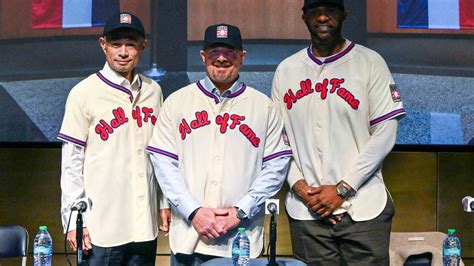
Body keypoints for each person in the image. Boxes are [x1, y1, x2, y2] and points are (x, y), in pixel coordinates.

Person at [271, 0, 406, 265]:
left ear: (343, 15)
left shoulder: (369, 62)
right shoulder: (286, 70)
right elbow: (276, 140)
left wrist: (343, 188)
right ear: (304, 16)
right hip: (307, 211)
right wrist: (301, 188)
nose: (323, 17)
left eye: (330, 10)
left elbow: (386, 132)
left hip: (363, 206)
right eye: (315, 11)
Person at [146, 23, 292, 265]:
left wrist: (240, 211)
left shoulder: (263, 106)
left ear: (242, 57)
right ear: (203, 56)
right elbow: (163, 164)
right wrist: (194, 212)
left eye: (230, 51)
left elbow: (276, 167)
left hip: (241, 240)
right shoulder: (177, 102)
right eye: (214, 51)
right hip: (188, 237)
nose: (222, 58)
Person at [58, 12, 170, 265]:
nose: (123, 52)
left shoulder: (154, 91)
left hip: (144, 225)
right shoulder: (84, 93)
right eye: (116, 44)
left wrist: (164, 202)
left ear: (143, 46)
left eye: (130, 44)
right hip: (102, 227)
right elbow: (71, 162)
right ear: (103, 45)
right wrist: (75, 220)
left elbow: (160, 154)